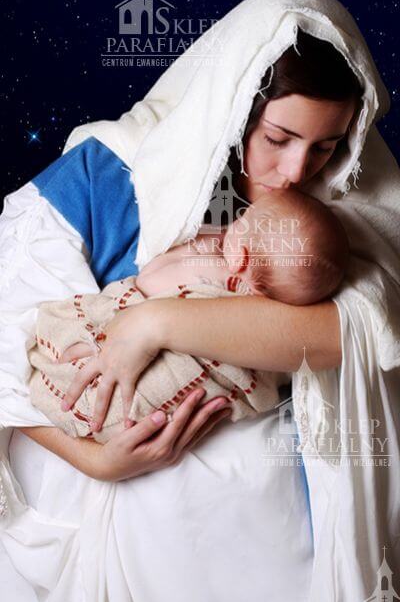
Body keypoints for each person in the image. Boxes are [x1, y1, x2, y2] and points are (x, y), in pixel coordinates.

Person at [0, 0, 399, 602]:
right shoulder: (114, 171)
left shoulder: (347, 199)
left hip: (267, 521)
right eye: (278, 137)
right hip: (111, 473)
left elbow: (353, 335)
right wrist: (96, 458)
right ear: (235, 104)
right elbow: (6, 345)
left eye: (324, 146)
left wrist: (157, 321)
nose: (295, 170)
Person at [27, 188, 349, 441]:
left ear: (240, 257)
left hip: (139, 369)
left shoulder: (213, 275)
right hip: (142, 419)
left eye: (240, 223)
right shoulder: (267, 320)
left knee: (74, 339)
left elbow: (149, 279)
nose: (229, 226)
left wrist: (202, 245)